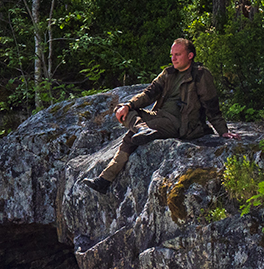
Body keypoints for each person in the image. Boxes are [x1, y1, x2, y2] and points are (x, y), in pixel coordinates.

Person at [82, 37, 238, 194]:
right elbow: (148, 94)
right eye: (172, 55)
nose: (173, 58)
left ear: (190, 55)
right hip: (161, 116)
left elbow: (212, 105)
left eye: (177, 54)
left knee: (130, 137)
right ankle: (107, 177)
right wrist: (128, 105)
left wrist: (222, 130)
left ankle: (104, 180)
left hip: (182, 124)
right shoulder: (169, 73)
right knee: (124, 111)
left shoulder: (200, 75)